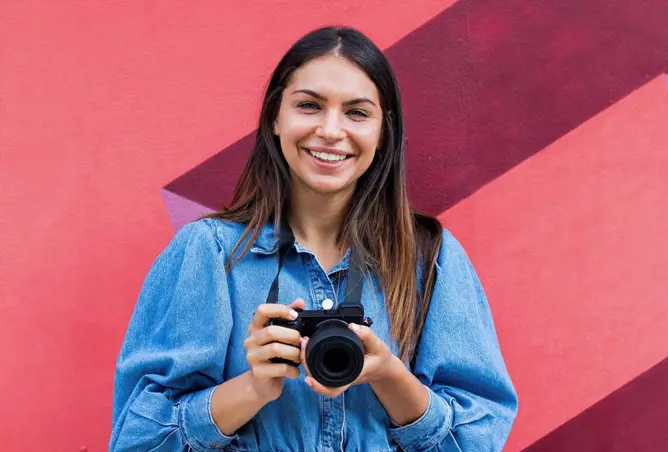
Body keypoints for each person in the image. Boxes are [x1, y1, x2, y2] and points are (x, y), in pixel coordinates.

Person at [109, 26, 518, 452]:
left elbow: (478, 440)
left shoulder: (429, 259)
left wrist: (389, 375)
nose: (330, 130)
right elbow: (137, 442)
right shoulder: (209, 254)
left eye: (357, 113)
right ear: (275, 117)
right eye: (309, 105)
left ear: (383, 132)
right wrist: (253, 388)